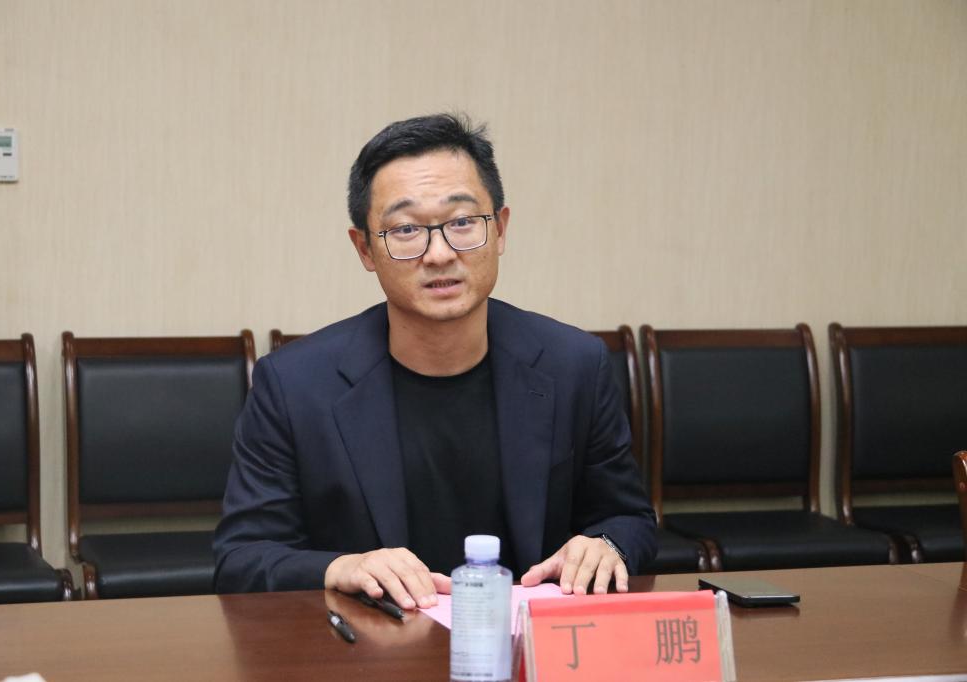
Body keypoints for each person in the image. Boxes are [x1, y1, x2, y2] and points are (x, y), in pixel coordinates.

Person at [213, 113, 656, 610]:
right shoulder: (294, 384)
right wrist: (342, 568)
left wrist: (606, 546)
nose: (440, 253)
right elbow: (241, 559)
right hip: (373, 642)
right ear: (365, 249)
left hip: (528, 641)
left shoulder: (574, 365)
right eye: (405, 229)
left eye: (462, 222)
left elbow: (630, 520)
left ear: (500, 230)